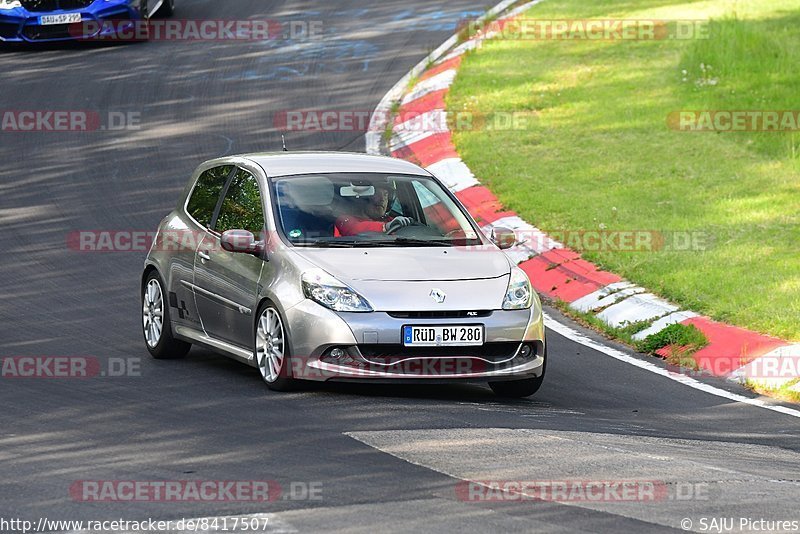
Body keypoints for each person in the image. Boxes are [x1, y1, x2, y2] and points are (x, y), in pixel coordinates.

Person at [335, 183, 413, 236]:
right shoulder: (344, 219)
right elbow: (355, 229)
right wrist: (385, 227)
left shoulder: (390, 220)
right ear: (364, 198)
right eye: (377, 194)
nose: (382, 199)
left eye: (385, 195)